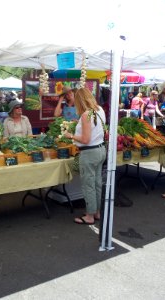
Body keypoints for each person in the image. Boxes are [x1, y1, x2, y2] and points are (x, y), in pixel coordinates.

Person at [63, 87, 107, 225]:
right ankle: (97, 211)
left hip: (89, 153)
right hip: (100, 150)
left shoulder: (86, 114)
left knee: (89, 184)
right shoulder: (99, 110)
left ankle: (89, 216)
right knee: (97, 183)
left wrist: (70, 135)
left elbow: (86, 139)